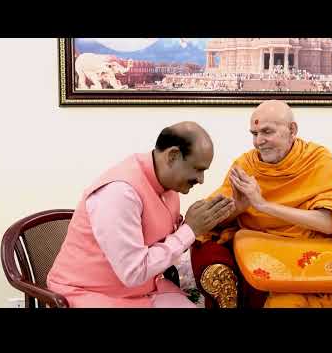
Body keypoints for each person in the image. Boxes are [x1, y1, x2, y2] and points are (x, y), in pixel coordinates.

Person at [191, 100, 332, 308]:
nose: (259, 141)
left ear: (292, 130)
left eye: (267, 132)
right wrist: (239, 208)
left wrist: (263, 205)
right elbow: (212, 222)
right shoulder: (246, 165)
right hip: (273, 257)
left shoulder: (316, 158)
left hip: (321, 253)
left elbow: (328, 223)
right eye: (254, 133)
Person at [47, 122, 235, 308]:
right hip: (91, 293)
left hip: (143, 289)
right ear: (173, 156)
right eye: (198, 169)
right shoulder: (119, 193)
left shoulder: (168, 187)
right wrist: (189, 230)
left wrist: (198, 224)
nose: (201, 180)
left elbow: (168, 244)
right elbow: (133, 273)